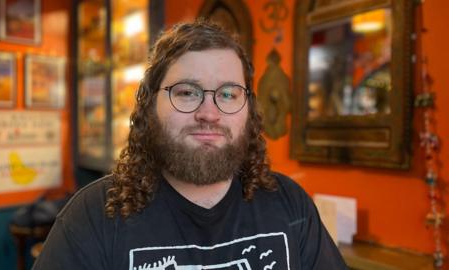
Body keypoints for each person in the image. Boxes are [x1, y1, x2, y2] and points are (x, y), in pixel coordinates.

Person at [33, 21, 347, 270]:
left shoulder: (289, 204)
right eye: (187, 92)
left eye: (227, 94)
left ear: (248, 109)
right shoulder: (94, 216)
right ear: (149, 105)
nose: (209, 114)